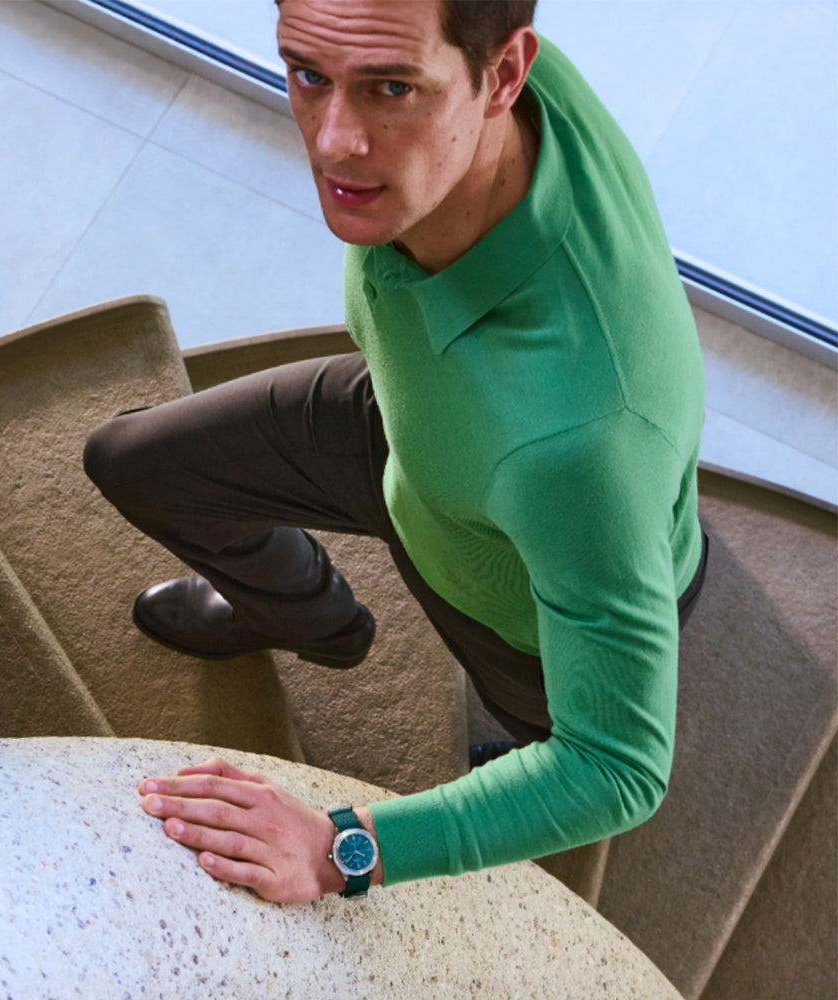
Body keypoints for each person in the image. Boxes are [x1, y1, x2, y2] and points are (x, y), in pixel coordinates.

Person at [83, 0, 708, 905]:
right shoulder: (496, 100)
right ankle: (307, 615)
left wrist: (339, 849)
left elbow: (616, 767)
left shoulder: (578, 450)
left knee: (543, 736)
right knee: (135, 462)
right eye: (308, 74)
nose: (333, 142)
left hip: (512, 582)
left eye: (391, 89)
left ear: (505, 74)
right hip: (413, 426)